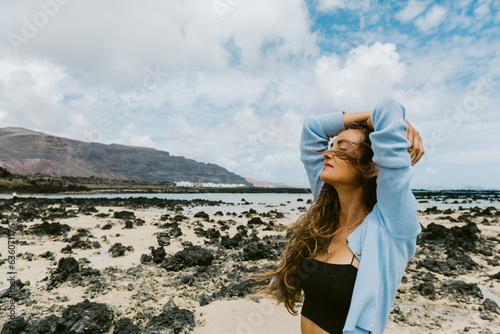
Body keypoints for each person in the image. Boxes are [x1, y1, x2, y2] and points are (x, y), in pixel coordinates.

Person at [250, 97, 424, 334]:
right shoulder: (328, 208)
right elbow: (312, 128)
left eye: (341, 149)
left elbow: (389, 110)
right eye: (331, 147)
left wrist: (383, 121)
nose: (327, 154)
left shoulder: (391, 226)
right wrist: (366, 118)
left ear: (371, 165)